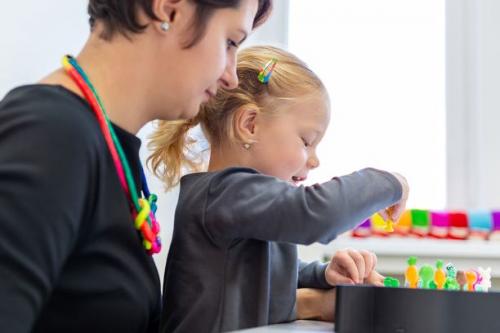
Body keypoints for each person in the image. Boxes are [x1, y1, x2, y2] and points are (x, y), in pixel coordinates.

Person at [0, 1, 272, 332]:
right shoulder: (52, 134)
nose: (231, 75)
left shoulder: (113, 146)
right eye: (230, 42)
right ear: (169, 10)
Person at [148, 45, 409, 332]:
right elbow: (316, 214)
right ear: (250, 125)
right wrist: (391, 182)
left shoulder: (241, 200)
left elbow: (267, 275)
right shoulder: (225, 193)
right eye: (306, 141)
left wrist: (324, 274)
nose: (314, 159)